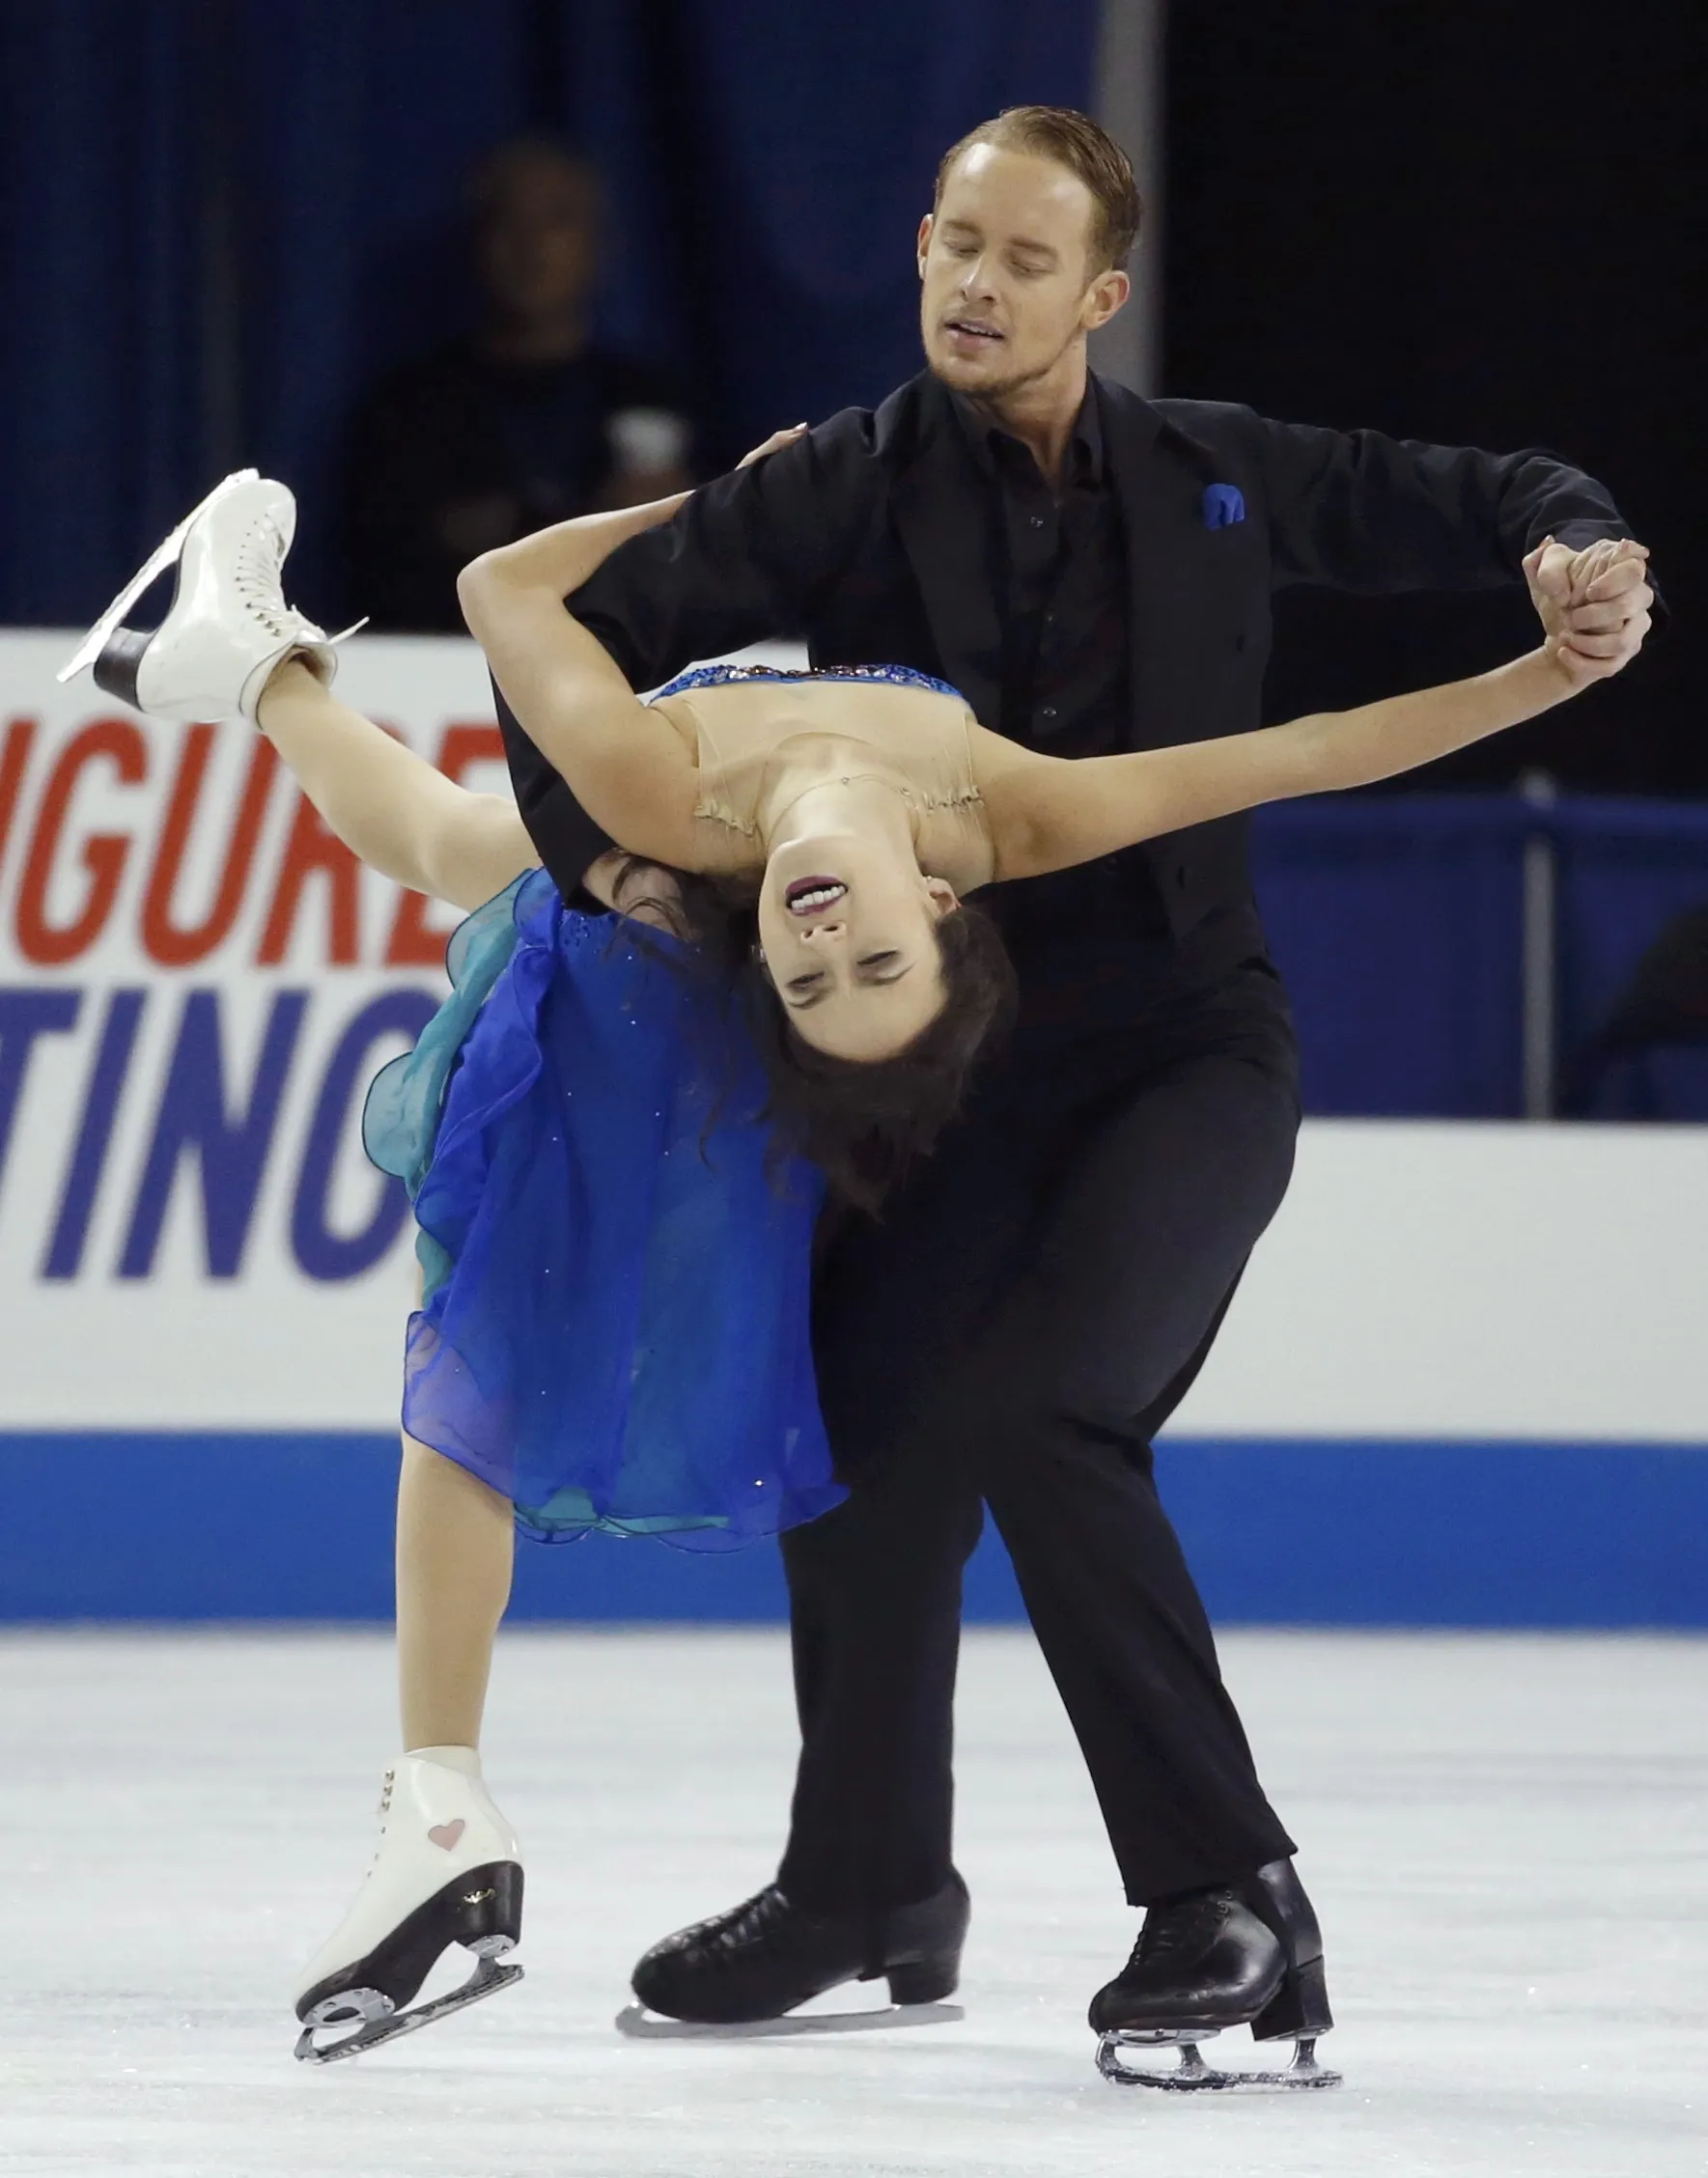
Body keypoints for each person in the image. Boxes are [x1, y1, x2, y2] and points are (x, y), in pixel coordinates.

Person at [59, 461, 1633, 2067]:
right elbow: (1300, 749)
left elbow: (501, 591)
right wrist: (1543, 673)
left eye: (815, 983)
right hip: (637, 869)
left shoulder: (672, 819)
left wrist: (715, 507)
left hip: (637, 981)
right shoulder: (1010, 809)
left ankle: (439, 1803)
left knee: (489, 1347)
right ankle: (246, 665)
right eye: (869, 958)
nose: (821, 946)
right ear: (940, 904)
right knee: (450, 840)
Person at [491, 105, 1655, 2085]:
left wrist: (1568, 544)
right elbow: (567, 647)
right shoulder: (838, 483)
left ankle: (1225, 1895)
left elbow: (1471, 493)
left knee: (1045, 1408)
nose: (973, 284)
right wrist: (608, 865)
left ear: (1097, 293)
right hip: (946, 1063)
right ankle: (865, 1885)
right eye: (954, 244)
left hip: (1187, 1044)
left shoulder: (1216, 471)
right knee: (857, 1421)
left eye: (1021, 260)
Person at [339, 139, 693, 633]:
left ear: (601, 245)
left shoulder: (653, 398)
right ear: (475, 241)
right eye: (507, 220)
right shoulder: (410, 407)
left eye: (557, 220)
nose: (531, 245)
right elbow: (385, 566)